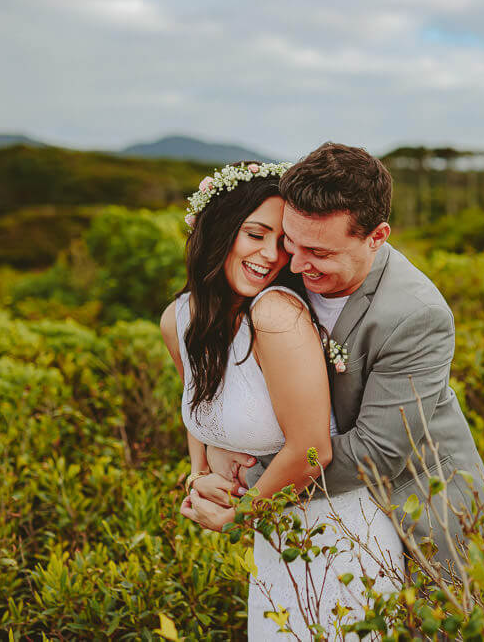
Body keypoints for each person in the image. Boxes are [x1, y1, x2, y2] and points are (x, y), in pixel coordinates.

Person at [207, 142, 484, 578]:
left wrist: (253, 482)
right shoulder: (282, 266)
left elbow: (377, 452)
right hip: (311, 516)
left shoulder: (416, 315)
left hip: (423, 516)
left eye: (320, 253)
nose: (297, 264)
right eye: (291, 241)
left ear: (377, 237)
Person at [159, 161, 402, 640]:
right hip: (274, 537)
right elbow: (201, 409)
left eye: (284, 241)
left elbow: (312, 450)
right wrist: (200, 475)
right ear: (219, 230)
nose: (272, 256)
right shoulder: (179, 319)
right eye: (255, 235)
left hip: (338, 535)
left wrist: (236, 517)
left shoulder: (276, 315)